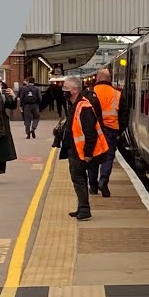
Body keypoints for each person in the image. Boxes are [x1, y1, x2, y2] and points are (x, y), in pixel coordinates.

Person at [55, 75, 109, 221]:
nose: (63, 89)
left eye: (65, 87)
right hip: (75, 150)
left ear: (74, 90)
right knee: (79, 179)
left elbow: (90, 133)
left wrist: (88, 153)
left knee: (78, 179)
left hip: (81, 152)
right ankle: (82, 208)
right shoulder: (75, 105)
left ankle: (84, 209)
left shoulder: (84, 107)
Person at [87, 68, 123, 197]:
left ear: (97, 78)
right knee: (108, 157)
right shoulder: (117, 94)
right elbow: (124, 114)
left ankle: (93, 186)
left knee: (93, 157)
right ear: (109, 79)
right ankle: (103, 181)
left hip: (93, 130)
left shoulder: (90, 93)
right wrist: (120, 130)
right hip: (111, 129)